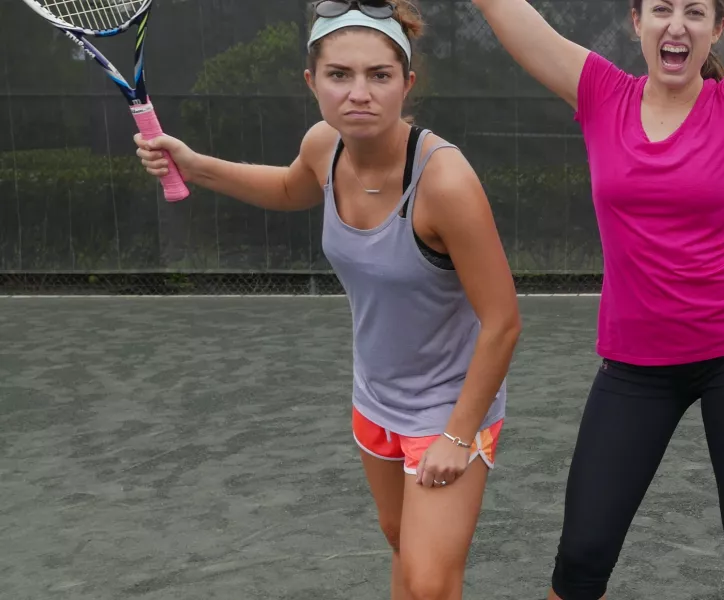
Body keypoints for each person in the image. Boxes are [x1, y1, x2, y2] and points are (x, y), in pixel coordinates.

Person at [464, 0, 724, 598]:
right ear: (634, 20)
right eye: (661, 9)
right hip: (635, 369)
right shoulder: (598, 92)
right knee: (582, 554)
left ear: (718, 29)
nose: (676, 25)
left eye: (695, 12)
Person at [133, 1, 521, 598]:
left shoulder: (445, 182)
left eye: (379, 75)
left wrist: (458, 434)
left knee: (428, 583)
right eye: (339, 75)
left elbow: (502, 323)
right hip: (375, 398)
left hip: (448, 408)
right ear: (312, 83)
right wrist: (195, 165)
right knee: (399, 543)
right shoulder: (324, 147)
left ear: (406, 83)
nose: (358, 93)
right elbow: (291, 187)